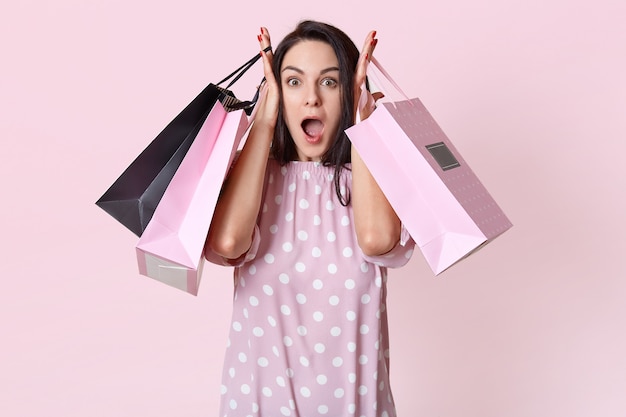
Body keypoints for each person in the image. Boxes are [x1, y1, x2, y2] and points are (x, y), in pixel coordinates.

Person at [205, 20, 415, 417]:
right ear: (276, 92)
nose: (312, 100)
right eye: (294, 82)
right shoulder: (254, 179)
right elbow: (228, 243)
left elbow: (376, 240)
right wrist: (263, 122)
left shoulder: (373, 179)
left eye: (331, 83)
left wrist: (364, 125)